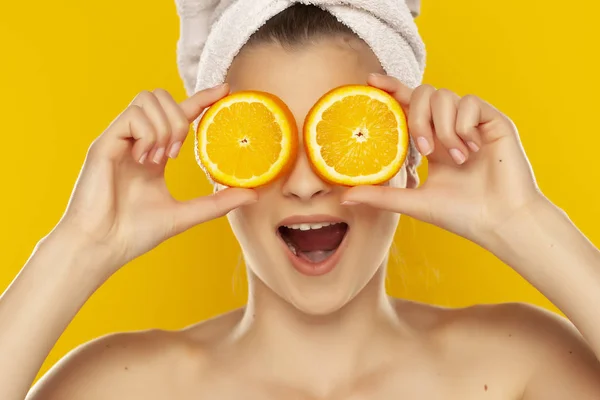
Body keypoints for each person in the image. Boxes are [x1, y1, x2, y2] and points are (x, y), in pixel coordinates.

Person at [1, 3, 600, 399]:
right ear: (219, 161)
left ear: (406, 151)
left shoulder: (521, 370)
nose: (307, 183)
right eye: (264, 139)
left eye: (344, 136)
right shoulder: (125, 387)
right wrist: (77, 249)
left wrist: (525, 223)